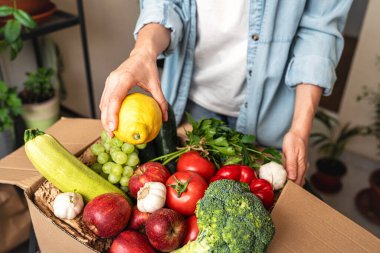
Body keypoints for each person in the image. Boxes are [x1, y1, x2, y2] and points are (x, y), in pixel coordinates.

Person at [99, 1, 353, 186]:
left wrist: (300, 128)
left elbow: (319, 32)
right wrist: (143, 52)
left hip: (272, 113)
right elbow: (166, 5)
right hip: (190, 106)